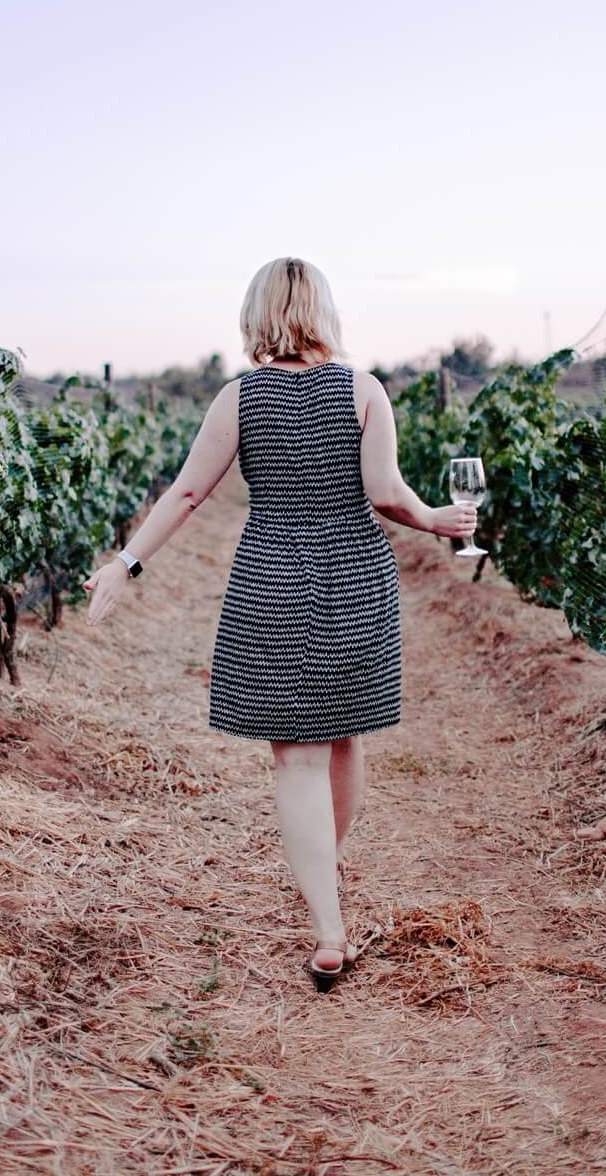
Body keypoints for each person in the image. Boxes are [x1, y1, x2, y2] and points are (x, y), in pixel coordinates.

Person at [83, 257, 477, 989]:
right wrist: (435, 520)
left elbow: (189, 492)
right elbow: (385, 492)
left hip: (271, 580)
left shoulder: (237, 399)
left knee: (295, 757)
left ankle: (328, 927)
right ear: (324, 312)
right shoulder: (363, 390)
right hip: (356, 577)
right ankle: (322, 875)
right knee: (344, 734)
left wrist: (124, 564)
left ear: (257, 314)